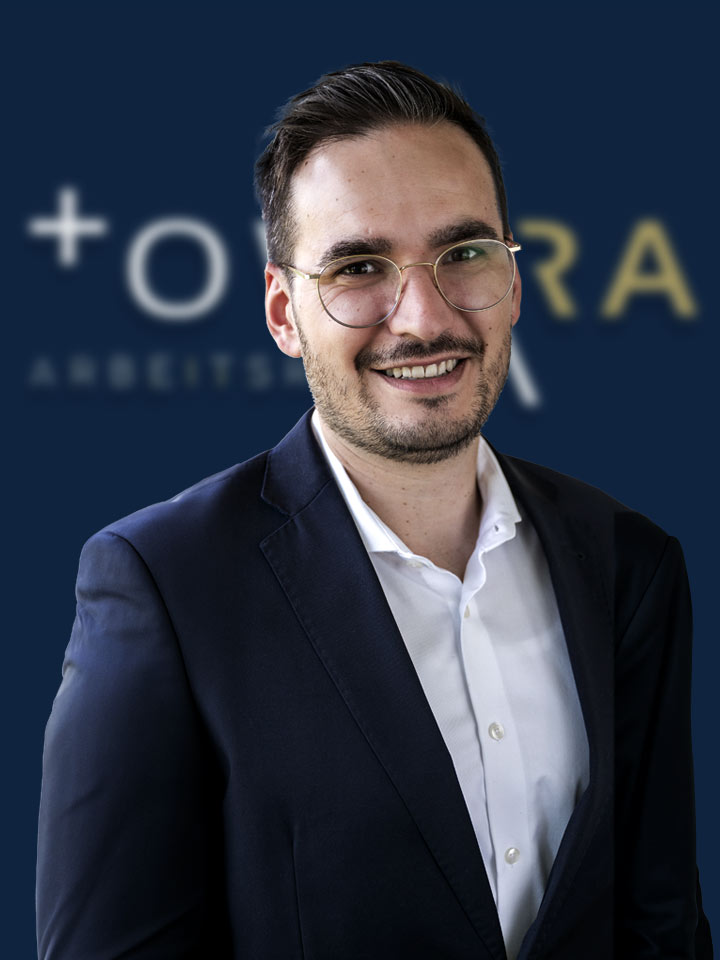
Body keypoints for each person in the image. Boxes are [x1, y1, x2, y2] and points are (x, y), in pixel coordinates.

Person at [37, 61, 712, 960]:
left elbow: (663, 928)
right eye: (359, 267)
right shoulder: (163, 585)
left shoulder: (631, 563)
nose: (423, 318)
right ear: (284, 313)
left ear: (514, 283)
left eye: (464, 254)